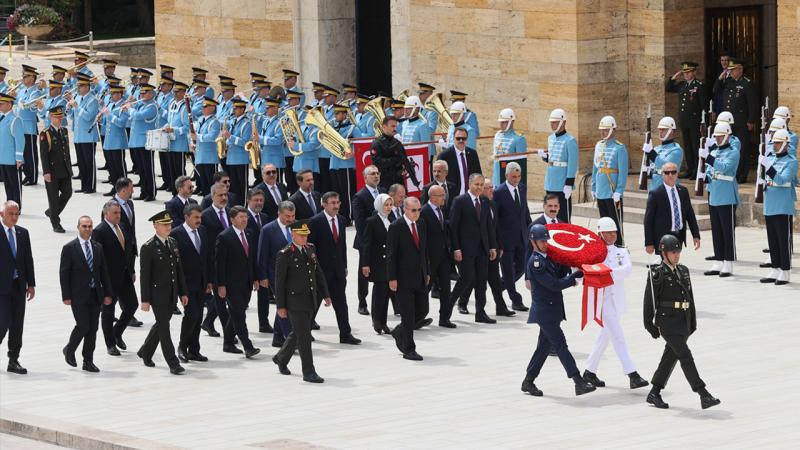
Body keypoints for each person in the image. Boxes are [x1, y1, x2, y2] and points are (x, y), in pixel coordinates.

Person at [643, 234, 721, 410]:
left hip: (682, 321)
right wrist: (650, 325)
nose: (676, 255)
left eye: (678, 252)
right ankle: (703, 394)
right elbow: (649, 301)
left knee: (670, 358)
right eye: (673, 252)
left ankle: (654, 392)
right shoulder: (657, 273)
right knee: (685, 356)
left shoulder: (683, 270)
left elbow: (690, 298)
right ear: (664, 253)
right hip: (667, 322)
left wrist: (692, 322)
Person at [521, 224, 594, 397]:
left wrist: (573, 261)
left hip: (551, 311)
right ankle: (578, 381)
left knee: (543, 348)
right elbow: (554, 285)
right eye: (541, 241)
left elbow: (559, 272)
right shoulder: (536, 262)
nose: (545, 244)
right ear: (533, 242)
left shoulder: (547, 258)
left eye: (546, 240)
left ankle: (528, 381)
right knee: (561, 345)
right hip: (546, 313)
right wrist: (573, 278)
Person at [582, 218, 649, 389]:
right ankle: (632, 374)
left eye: (614, 232)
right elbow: (586, 270)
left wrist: (606, 274)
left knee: (605, 336)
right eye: (608, 232)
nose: (612, 235)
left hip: (616, 298)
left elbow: (627, 269)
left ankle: (589, 371)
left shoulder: (621, 251)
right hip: (602, 299)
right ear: (600, 233)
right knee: (618, 336)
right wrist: (605, 274)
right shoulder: (593, 252)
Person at [272, 220, 331, 383]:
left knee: (299, 332)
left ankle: (281, 357)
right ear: (293, 235)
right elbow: (279, 282)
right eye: (301, 235)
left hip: (310, 299)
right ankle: (309, 371)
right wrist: (281, 306)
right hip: (294, 301)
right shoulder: (285, 253)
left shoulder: (310, 249)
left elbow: (318, 273)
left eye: (306, 235)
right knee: (304, 336)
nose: (304, 238)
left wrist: (325, 294)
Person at [137, 210, 189, 375]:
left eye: (169, 224)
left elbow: (178, 270)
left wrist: (183, 293)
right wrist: (145, 300)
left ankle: (146, 351)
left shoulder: (172, 243)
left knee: (161, 324)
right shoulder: (148, 247)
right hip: (157, 294)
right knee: (165, 328)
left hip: (172, 293)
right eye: (164, 224)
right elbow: (145, 276)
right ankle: (173, 363)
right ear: (155, 226)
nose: (168, 227)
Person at [59, 216, 113, 372]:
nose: (87, 229)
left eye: (90, 226)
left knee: (93, 328)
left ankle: (88, 360)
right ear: (78, 227)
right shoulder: (70, 248)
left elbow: (104, 272)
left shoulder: (97, 247)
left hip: (95, 294)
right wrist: (66, 295)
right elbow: (64, 273)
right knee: (83, 325)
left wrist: (107, 293)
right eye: (84, 226)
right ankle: (70, 350)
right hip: (77, 294)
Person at [308, 192, 361, 345]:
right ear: (323, 204)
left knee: (341, 303)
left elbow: (342, 246)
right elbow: (311, 248)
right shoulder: (315, 221)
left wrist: (344, 265)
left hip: (337, 271)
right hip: (320, 271)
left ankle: (345, 334)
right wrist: (314, 270)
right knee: (314, 303)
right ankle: (305, 331)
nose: (336, 206)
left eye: (338, 202)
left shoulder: (342, 220)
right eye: (332, 203)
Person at [450, 174, 498, 324]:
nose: (479, 187)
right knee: (465, 280)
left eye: (481, 185)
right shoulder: (460, 201)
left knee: (481, 282)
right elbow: (453, 227)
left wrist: (492, 246)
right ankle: (447, 307)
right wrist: (456, 248)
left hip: (482, 249)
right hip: (465, 249)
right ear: (469, 184)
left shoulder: (484, 201)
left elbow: (488, 226)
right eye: (476, 184)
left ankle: (480, 312)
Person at [92, 200, 138, 356]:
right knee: (108, 311)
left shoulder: (123, 227)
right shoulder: (100, 230)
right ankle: (110, 343)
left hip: (124, 275)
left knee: (132, 305)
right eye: (115, 213)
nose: (119, 216)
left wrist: (131, 270)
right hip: (108, 279)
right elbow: (97, 258)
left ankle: (117, 332)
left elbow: (128, 251)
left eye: (119, 213)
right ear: (106, 214)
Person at [387, 197, 429, 361]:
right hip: (403, 278)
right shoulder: (396, 227)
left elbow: (424, 250)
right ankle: (409, 349)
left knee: (422, 311)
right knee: (408, 314)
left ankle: (399, 331)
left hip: (420, 275)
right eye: (413, 210)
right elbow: (391, 255)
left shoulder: (421, 224)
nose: (417, 213)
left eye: (419, 210)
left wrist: (427, 271)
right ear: (405, 209)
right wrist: (392, 278)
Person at [216, 206, 261, 358]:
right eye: (241, 217)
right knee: (239, 314)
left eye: (246, 217)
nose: (244, 220)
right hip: (231, 283)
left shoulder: (249, 233)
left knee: (236, 313)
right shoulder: (224, 237)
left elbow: (252, 258)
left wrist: (255, 278)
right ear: (232, 219)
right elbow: (219, 263)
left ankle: (228, 342)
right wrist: (221, 285)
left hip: (246, 282)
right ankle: (248, 346)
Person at [170, 204, 211, 362]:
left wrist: (209, 281)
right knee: (191, 315)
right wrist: (180, 289)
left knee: (199, 316)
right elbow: (175, 264)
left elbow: (207, 257)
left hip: (201, 282)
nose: (198, 220)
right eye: (195, 217)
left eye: (200, 217)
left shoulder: (202, 231)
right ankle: (182, 347)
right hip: (186, 284)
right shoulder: (176, 234)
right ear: (186, 217)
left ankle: (194, 349)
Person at [0, 201, 36, 374]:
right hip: (1, 288)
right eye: (11, 214)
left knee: (17, 324)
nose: (14, 217)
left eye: (17, 214)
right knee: (3, 321)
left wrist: (31, 284)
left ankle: (13, 359)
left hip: (18, 286)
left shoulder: (23, 233)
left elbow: (28, 259)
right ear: (2, 214)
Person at [700, 122, 739, 277]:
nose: (717, 139)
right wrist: (705, 177)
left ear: (728, 135)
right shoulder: (714, 151)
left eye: (720, 136)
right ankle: (719, 259)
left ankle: (728, 262)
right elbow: (711, 171)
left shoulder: (733, 151)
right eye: (716, 136)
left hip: (727, 194)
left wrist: (708, 157)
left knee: (727, 231)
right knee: (716, 230)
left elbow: (724, 168)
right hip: (714, 193)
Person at [758, 129, 797, 285]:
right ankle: (775, 268)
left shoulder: (791, 161)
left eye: (779, 143)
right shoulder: (771, 158)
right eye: (774, 143)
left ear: (786, 144)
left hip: (782, 206)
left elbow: (782, 180)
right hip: (770, 204)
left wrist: (769, 167)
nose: (775, 146)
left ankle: (785, 271)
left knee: (783, 240)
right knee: (772, 240)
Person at [257, 201, 296, 348]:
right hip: (275, 275)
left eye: (293, 216)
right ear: (279, 214)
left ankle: (278, 338)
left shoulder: (297, 226)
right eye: (287, 216)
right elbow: (262, 255)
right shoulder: (268, 230)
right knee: (285, 304)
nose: (290, 219)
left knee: (285, 304)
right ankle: (289, 337)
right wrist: (263, 277)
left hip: (294, 274)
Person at [494, 162, 532, 312]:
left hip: (522, 237)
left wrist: (530, 230)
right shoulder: (499, 192)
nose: (516, 179)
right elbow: (496, 219)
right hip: (506, 240)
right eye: (513, 177)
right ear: (506, 175)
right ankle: (515, 299)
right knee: (508, 271)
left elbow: (525, 211)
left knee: (522, 266)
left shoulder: (522, 188)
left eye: (518, 176)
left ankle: (499, 286)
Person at [644, 162, 701, 260]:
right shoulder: (655, 193)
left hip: (679, 235)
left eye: (673, 172)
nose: (670, 175)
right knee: (668, 264)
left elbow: (690, 214)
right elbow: (648, 220)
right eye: (667, 172)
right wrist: (649, 243)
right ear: (662, 174)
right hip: (663, 236)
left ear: (677, 174)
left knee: (674, 262)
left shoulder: (683, 191)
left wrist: (695, 235)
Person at [713, 58, 757, 183]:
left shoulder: (746, 83)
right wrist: (720, 78)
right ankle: (733, 172)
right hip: (728, 123)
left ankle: (742, 174)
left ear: (740, 69)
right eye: (730, 70)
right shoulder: (728, 82)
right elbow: (716, 90)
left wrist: (751, 120)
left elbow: (752, 103)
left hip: (741, 121)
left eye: (733, 70)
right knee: (729, 148)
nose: (730, 72)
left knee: (741, 148)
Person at [352, 165, 385, 315]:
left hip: (384, 240)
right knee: (364, 272)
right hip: (366, 241)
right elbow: (359, 223)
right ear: (365, 178)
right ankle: (362, 302)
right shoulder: (360, 196)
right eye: (372, 174)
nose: (376, 176)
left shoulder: (384, 192)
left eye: (377, 173)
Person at [419, 185, 454, 328]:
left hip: (444, 256)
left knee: (446, 288)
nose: (444, 197)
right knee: (425, 289)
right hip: (430, 258)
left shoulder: (442, 209)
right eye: (441, 195)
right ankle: (418, 317)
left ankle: (444, 318)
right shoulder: (424, 212)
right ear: (432, 197)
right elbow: (423, 237)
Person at [200, 183, 231, 337]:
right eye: (220, 195)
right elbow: (204, 244)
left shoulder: (231, 212)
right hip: (214, 263)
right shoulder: (205, 216)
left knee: (226, 297)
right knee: (220, 298)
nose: (224, 198)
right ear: (212, 197)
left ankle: (208, 321)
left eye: (225, 195)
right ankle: (228, 333)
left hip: (231, 263)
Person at [666, 62, 707, 178]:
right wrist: (674, 78)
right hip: (685, 121)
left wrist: (703, 122)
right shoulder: (682, 85)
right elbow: (669, 88)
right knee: (687, 147)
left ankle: (697, 170)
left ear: (694, 72)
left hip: (695, 122)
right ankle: (690, 169)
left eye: (688, 72)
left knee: (695, 147)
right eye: (684, 72)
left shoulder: (699, 85)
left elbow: (703, 105)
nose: (686, 75)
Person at [592, 115, 628, 245]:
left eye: (606, 130)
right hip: (601, 190)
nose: (602, 132)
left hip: (613, 192)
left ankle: (619, 245)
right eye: (601, 130)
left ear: (613, 130)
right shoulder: (599, 146)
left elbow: (623, 172)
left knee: (615, 223)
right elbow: (596, 168)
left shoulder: (619, 148)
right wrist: (593, 187)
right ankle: (605, 245)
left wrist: (619, 190)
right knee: (604, 222)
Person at [361, 194, 393, 334]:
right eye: (386, 205)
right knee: (379, 293)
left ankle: (384, 322)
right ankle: (376, 320)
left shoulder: (390, 220)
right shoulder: (372, 221)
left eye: (390, 205)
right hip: (377, 262)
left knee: (387, 293)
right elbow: (366, 244)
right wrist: (365, 264)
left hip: (389, 263)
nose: (389, 208)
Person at [39, 106, 72, 233]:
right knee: (53, 198)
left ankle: (52, 212)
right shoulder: (45, 133)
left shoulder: (64, 131)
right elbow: (44, 155)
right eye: (57, 117)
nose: (59, 119)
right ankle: (56, 223)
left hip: (64, 169)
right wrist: (46, 172)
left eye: (61, 117)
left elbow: (66, 151)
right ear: (51, 118)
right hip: (52, 171)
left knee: (67, 193)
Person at [541, 108, 578, 223]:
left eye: (555, 122)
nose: (552, 125)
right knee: (550, 214)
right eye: (551, 122)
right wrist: (544, 156)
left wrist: (569, 183)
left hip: (562, 183)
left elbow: (572, 164)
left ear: (563, 122)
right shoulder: (550, 138)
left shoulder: (570, 140)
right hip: (550, 182)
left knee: (563, 216)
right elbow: (553, 159)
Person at [244, 188, 272, 333]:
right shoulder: (243, 218)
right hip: (247, 263)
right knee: (243, 299)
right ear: (248, 201)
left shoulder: (265, 218)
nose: (259, 203)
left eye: (261, 200)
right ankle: (210, 320)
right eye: (256, 200)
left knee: (264, 295)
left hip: (262, 263)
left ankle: (264, 323)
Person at [124, 83, 158, 202]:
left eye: (144, 93)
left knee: (148, 168)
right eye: (141, 93)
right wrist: (130, 104)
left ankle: (151, 192)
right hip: (136, 141)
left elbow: (138, 116)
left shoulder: (152, 106)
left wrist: (130, 108)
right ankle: (144, 191)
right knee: (141, 169)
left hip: (145, 141)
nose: (141, 95)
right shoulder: (140, 105)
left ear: (150, 94)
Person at [67, 73, 100, 194]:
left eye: (80, 86)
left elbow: (88, 117)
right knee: (81, 162)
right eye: (78, 86)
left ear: (87, 87)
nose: (78, 88)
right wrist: (70, 109)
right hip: (78, 136)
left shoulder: (93, 100)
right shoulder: (78, 98)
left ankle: (90, 186)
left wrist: (77, 107)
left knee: (89, 163)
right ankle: (84, 185)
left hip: (88, 136)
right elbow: (73, 117)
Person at [370, 116, 419, 191]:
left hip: (398, 180)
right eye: (392, 126)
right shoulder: (377, 143)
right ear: (384, 127)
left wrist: (406, 167)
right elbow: (377, 163)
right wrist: (394, 160)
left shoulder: (397, 143)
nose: (395, 129)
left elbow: (404, 160)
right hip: (385, 181)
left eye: (396, 126)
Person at [437, 127, 482, 196]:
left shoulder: (473, 154)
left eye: (463, 138)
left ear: (467, 139)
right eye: (458, 138)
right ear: (453, 139)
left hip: (470, 196)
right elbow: (438, 178)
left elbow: (478, 174)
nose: (461, 140)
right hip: (453, 198)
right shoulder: (444, 156)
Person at [643, 117, 683, 192]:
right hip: (653, 187)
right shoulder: (657, 149)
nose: (660, 132)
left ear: (671, 131)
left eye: (663, 129)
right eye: (660, 129)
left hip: (668, 189)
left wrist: (651, 153)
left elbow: (666, 165)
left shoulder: (677, 150)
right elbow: (653, 166)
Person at [192, 97, 221, 196]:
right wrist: (193, 142)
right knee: (204, 183)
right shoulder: (201, 120)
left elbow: (212, 136)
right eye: (203, 106)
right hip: (200, 156)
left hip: (210, 157)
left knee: (211, 184)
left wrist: (198, 137)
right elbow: (194, 133)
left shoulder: (214, 122)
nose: (203, 108)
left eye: (206, 106)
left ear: (212, 108)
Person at [0, 93, 25, 206]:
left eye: (1, 104)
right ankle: (10, 206)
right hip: (3, 158)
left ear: (9, 104)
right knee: (8, 184)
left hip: (12, 159)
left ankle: (17, 206)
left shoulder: (15, 120)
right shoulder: (2, 118)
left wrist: (19, 158)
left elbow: (20, 140)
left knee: (15, 185)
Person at [491, 108, 527, 186]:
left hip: (509, 178)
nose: (501, 124)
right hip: (496, 176)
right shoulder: (497, 135)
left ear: (511, 122)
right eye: (501, 122)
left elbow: (520, 164)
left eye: (504, 122)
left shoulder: (519, 139)